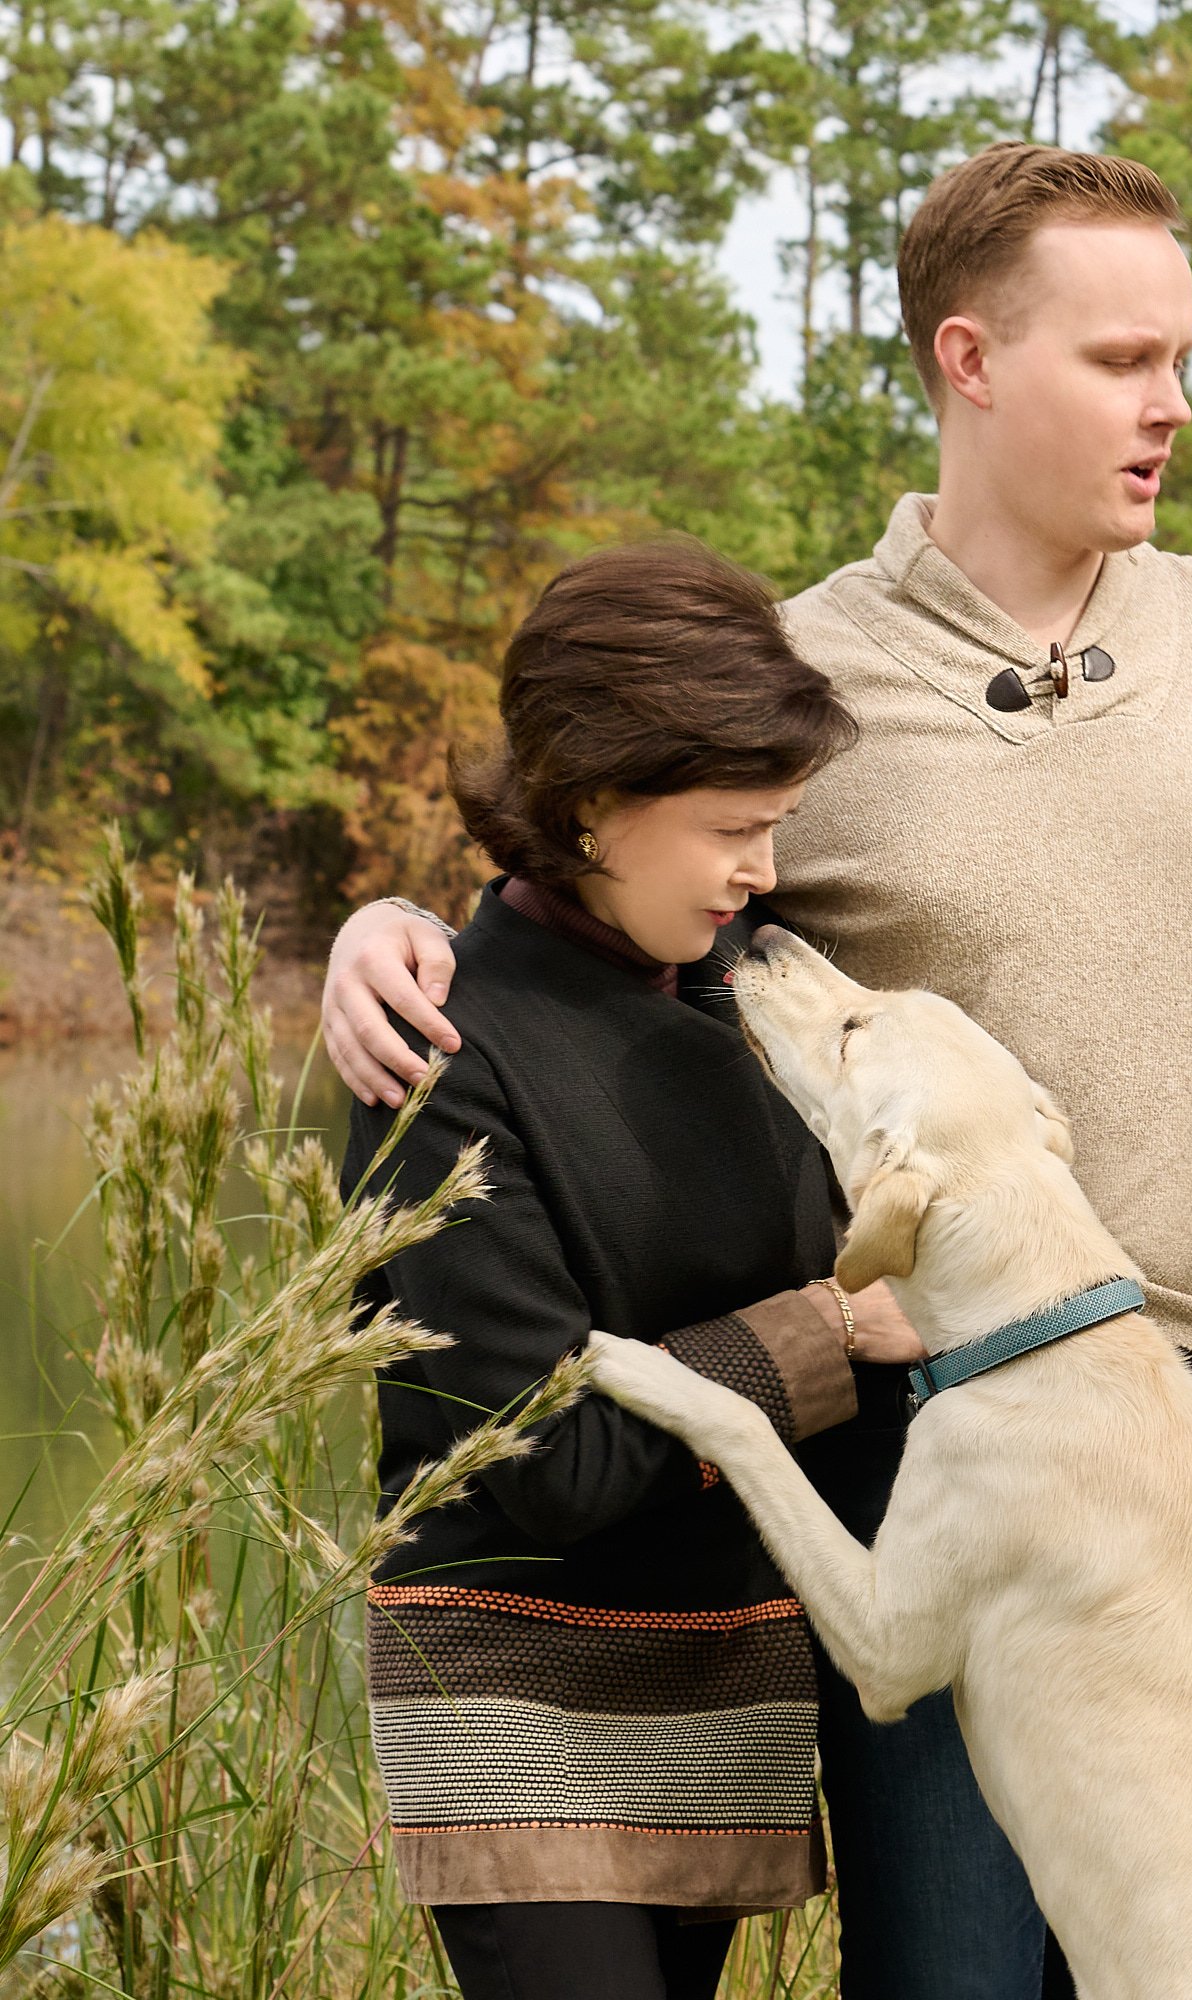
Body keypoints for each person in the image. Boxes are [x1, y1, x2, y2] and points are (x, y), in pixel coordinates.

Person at [320, 143, 1192, 1999]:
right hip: (935, 1420)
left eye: (1182, 356)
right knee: (952, 1969)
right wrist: (392, 924)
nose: (1175, 404)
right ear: (971, 360)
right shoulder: (806, 677)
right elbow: (619, 885)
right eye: (1125, 359)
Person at [347, 540, 928, 2000]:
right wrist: (820, 1334)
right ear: (597, 802)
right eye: (739, 826)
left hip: (715, 1687)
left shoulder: (763, 996)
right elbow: (529, 1457)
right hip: (516, 1709)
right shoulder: (438, 1051)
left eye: (782, 824)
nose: (768, 869)